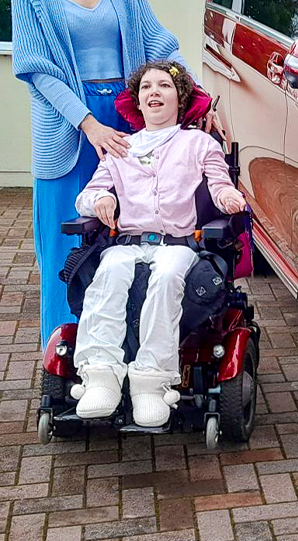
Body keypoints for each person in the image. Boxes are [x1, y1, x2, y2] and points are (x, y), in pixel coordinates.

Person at [10, 0, 214, 348]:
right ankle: (65, 353)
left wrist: (197, 96)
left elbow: (158, 44)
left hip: (126, 118)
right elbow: (38, 69)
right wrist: (88, 124)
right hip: (66, 124)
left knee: (131, 236)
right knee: (67, 245)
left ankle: (124, 352)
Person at [70, 61, 247, 426]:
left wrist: (228, 196)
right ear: (138, 101)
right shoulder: (122, 147)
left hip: (178, 244)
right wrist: (101, 199)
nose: (154, 92)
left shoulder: (198, 143)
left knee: (166, 277)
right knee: (109, 274)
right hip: (127, 242)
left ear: (180, 99)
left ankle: (150, 382)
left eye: (164, 86)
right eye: (146, 87)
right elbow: (86, 196)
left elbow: (219, 182)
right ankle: (101, 377)